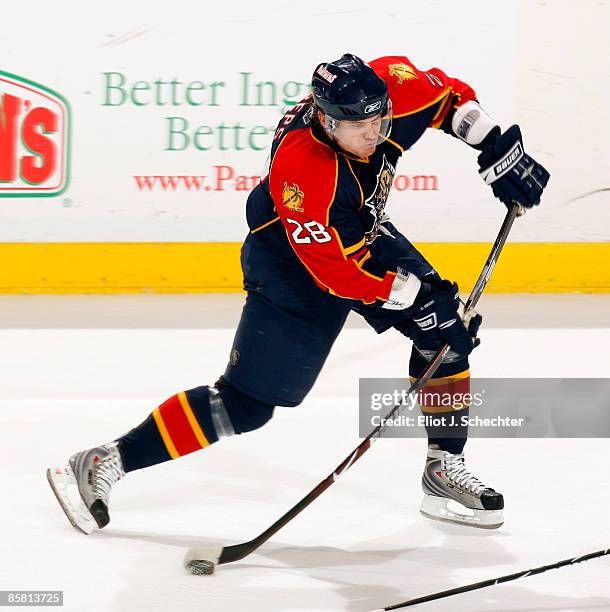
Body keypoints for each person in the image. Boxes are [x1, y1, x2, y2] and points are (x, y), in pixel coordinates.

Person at [47, 54, 549, 534]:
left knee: (446, 335)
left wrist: (494, 146)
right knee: (245, 405)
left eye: (380, 118)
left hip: (359, 230)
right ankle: (103, 460)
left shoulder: (381, 90)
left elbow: (447, 97)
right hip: (292, 265)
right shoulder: (305, 170)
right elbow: (337, 274)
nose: (374, 132)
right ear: (326, 122)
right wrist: (406, 295)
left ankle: (444, 470)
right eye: (357, 126)